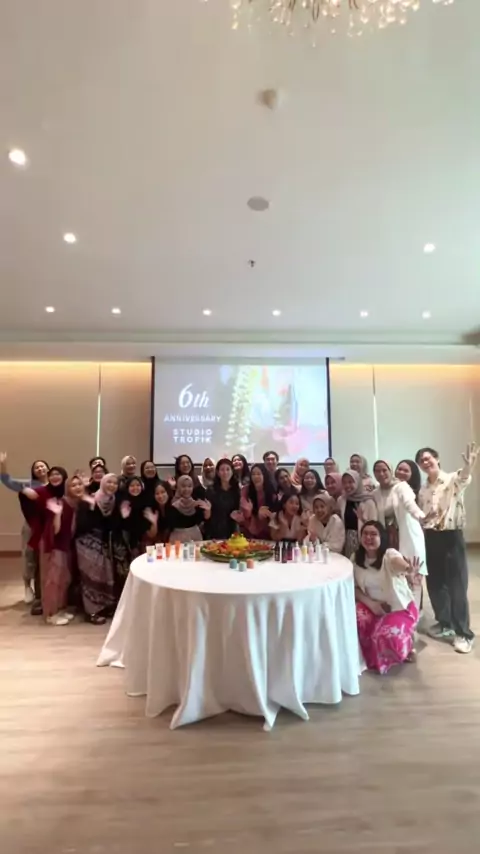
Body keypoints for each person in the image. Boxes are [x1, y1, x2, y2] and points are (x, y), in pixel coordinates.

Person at [416, 443, 478, 654]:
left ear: (437, 459)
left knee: (456, 586)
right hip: (431, 537)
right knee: (435, 584)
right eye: (421, 461)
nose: (425, 462)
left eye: (428, 458)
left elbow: (464, 478)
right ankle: (445, 623)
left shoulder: (451, 479)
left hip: (451, 537)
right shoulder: (423, 488)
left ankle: (464, 633)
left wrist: (469, 466)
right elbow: (423, 514)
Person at [354, 521, 420, 675]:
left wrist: (408, 568)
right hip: (372, 606)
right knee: (353, 618)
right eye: (365, 534)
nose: (368, 538)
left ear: (382, 537)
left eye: (373, 534)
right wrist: (372, 604)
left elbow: (397, 562)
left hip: (398, 609)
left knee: (384, 637)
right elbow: (355, 588)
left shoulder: (389, 554)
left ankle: (407, 643)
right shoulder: (356, 558)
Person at [372, 460, 426, 609]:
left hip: (406, 537)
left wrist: (421, 516)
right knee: (393, 575)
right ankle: (397, 611)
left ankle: (414, 614)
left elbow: (410, 504)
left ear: (390, 471)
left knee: (412, 575)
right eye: (377, 471)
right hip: (388, 539)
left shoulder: (401, 487)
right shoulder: (375, 493)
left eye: (384, 470)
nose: (381, 473)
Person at [0, 452, 49, 606]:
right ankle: (27, 586)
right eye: (36, 467)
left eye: (42, 466)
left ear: (48, 468)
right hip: (32, 525)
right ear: (33, 472)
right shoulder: (28, 485)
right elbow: (7, 481)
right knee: (29, 555)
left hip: (49, 525)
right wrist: (3, 465)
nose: (40, 469)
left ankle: (45, 589)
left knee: (47, 557)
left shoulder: (56, 485)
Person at [74, 474, 121, 625]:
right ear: (102, 483)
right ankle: (91, 611)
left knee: (104, 575)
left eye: (115, 483)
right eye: (109, 482)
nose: (112, 485)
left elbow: (110, 525)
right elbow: (82, 525)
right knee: (90, 576)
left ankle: (104, 607)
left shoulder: (113, 501)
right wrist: (92, 508)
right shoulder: (90, 499)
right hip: (87, 543)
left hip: (103, 543)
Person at [40, 475, 85, 626]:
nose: (77, 487)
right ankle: (50, 614)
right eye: (73, 485)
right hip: (54, 546)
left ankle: (60, 609)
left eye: (79, 484)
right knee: (53, 581)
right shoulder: (61, 503)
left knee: (64, 579)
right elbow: (55, 530)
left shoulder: (75, 504)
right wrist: (58, 514)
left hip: (65, 545)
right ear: (67, 488)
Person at [338, 470, 377, 556]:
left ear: (358, 482)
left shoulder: (368, 501)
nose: (347, 485)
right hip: (345, 540)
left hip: (364, 540)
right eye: (344, 482)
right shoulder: (342, 500)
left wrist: (362, 519)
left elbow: (375, 526)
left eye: (350, 482)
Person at [235, 463, 276, 539]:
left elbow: (275, 515)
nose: (256, 477)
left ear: (264, 475)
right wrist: (250, 513)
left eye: (258, 474)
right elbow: (242, 513)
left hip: (268, 533)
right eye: (253, 474)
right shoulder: (245, 490)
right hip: (248, 533)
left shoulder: (271, 491)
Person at [167, 475, 210, 543]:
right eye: (183, 486)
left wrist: (208, 510)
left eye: (189, 486)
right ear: (178, 487)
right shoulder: (173, 504)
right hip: (178, 539)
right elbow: (170, 525)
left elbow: (203, 519)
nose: (186, 489)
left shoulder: (196, 503)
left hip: (195, 537)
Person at [204, 459, 240, 540]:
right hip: (214, 531)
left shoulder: (237, 490)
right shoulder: (210, 490)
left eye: (228, 469)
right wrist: (208, 510)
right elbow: (206, 517)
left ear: (232, 471)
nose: (225, 472)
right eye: (222, 470)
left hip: (232, 530)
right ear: (217, 472)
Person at [144, 481, 172, 545]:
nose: (160, 496)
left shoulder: (174, 505)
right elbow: (151, 535)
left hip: (173, 541)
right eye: (157, 493)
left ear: (168, 492)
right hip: (157, 542)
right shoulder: (151, 509)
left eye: (163, 492)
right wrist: (154, 523)